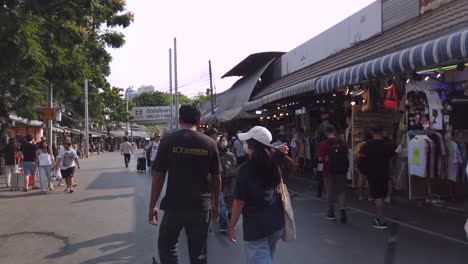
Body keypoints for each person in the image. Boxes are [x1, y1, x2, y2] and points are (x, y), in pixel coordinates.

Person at [148, 104, 221, 264]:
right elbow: (216, 178)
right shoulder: (209, 143)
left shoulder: (168, 141)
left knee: (167, 247)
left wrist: (152, 205)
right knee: (199, 253)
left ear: (180, 120)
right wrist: (215, 205)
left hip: (174, 207)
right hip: (201, 207)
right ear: (200, 121)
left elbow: (159, 176)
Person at [229, 126, 292, 264]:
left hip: (256, 228)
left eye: (247, 142)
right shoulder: (275, 162)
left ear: (251, 146)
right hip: (276, 225)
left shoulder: (245, 170)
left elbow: (239, 202)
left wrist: (232, 225)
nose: (244, 145)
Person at [359, 128, 395, 230]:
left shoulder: (367, 145)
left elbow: (361, 158)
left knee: (378, 197)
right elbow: (392, 157)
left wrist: (364, 172)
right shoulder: (388, 145)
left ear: (372, 133)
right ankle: (380, 217)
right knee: (381, 196)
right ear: (381, 133)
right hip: (384, 173)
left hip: (373, 173)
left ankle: (380, 219)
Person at [205, 129, 237, 233]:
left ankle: (225, 222)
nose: (221, 140)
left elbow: (234, 166)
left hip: (229, 182)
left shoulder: (229, 153)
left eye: (223, 139)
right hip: (216, 183)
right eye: (218, 138)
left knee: (227, 203)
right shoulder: (211, 151)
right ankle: (222, 224)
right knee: (219, 204)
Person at [317, 124, 349, 223]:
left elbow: (320, 158)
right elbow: (346, 155)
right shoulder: (342, 143)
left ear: (325, 133)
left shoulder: (323, 144)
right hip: (341, 171)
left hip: (328, 171)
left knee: (330, 191)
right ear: (334, 131)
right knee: (341, 191)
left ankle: (331, 213)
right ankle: (342, 208)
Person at [354, 130, 373, 201]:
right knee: (368, 180)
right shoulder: (372, 144)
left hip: (362, 163)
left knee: (361, 178)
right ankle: (369, 196)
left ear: (364, 137)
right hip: (370, 163)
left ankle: (360, 196)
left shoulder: (360, 145)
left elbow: (356, 155)